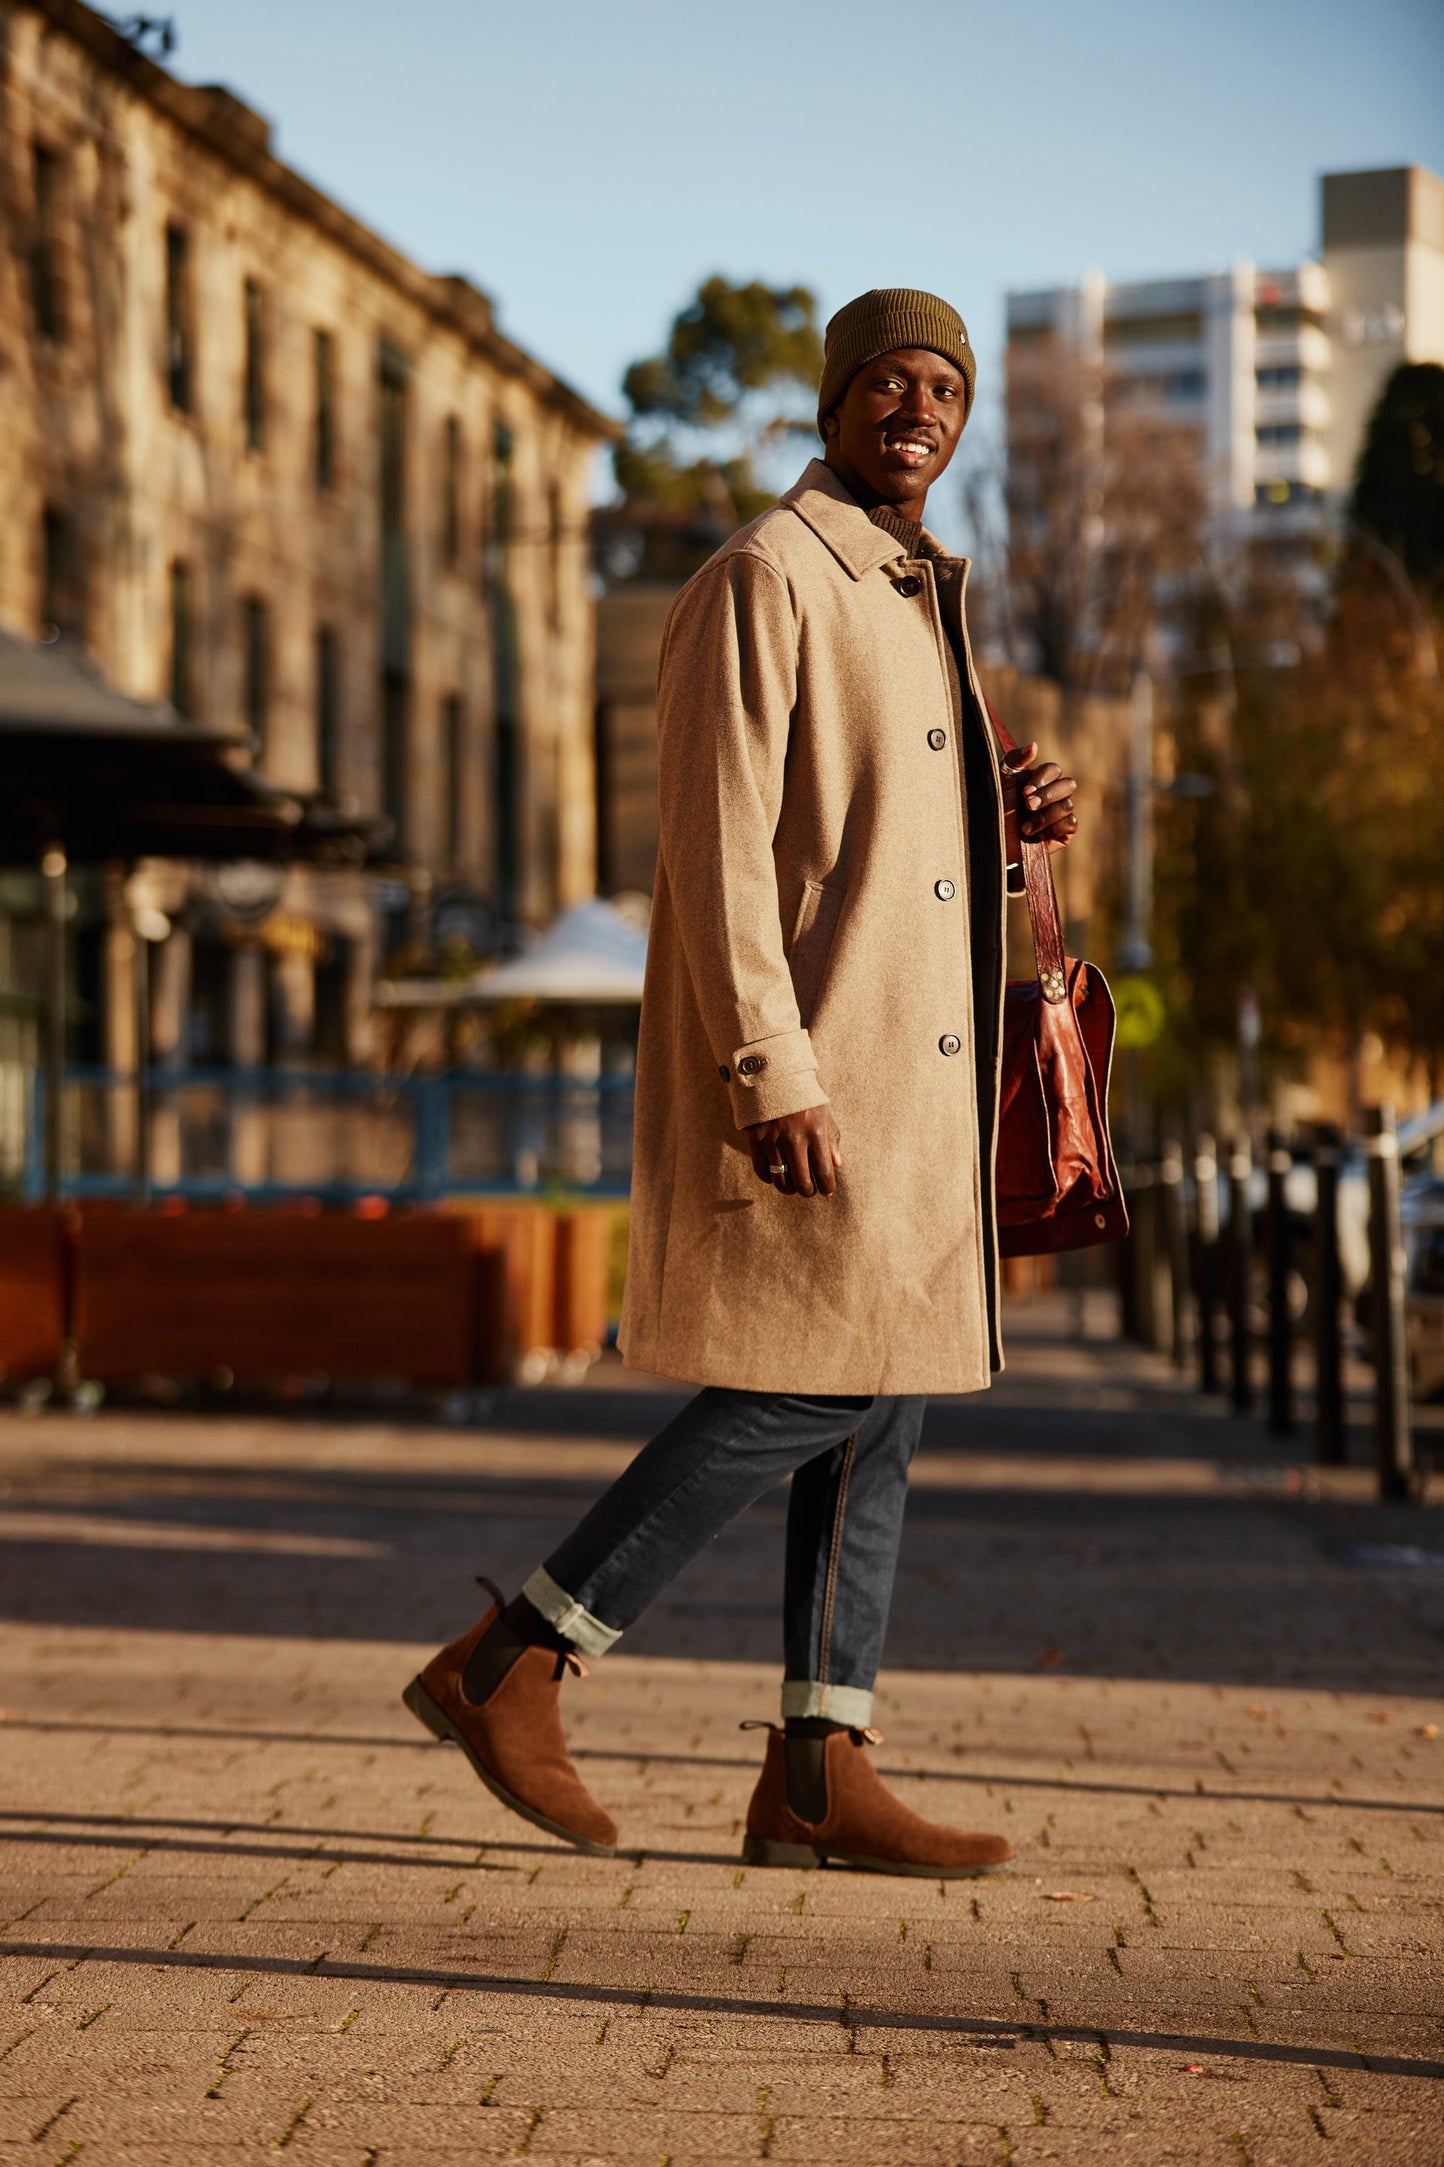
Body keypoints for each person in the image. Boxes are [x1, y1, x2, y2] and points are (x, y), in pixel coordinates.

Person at [405, 289, 1079, 1876]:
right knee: (809, 1381)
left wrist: (1016, 815)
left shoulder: (918, 598)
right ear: (833, 405)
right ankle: (519, 1654)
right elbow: (711, 849)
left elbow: (895, 857)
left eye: (942, 391)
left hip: (922, 1087)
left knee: (885, 1397)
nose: (914, 409)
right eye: (884, 385)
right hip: (821, 1074)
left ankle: (816, 1763)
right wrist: (769, 1064)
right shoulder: (763, 578)